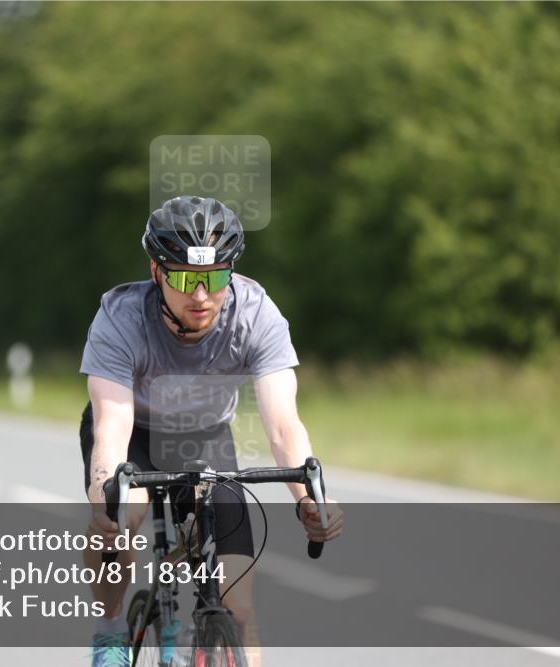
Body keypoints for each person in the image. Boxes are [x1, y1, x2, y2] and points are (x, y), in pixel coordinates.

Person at [79, 196, 344, 667]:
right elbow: (112, 424)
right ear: (157, 272)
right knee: (122, 522)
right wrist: (106, 494)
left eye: (215, 277)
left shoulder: (257, 314)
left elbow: (283, 424)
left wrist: (308, 497)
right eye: (183, 277)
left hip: (205, 438)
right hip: (134, 432)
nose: (200, 296)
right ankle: (112, 629)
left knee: (240, 610)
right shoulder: (120, 318)